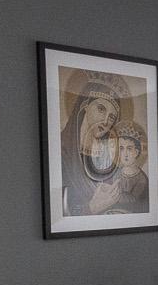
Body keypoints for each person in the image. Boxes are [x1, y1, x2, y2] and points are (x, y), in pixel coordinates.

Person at [60, 74, 129, 215]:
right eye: (101, 109)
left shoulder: (107, 156)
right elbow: (59, 212)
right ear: (85, 105)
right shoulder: (60, 151)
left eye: (112, 117)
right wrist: (92, 207)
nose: (105, 121)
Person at [86, 119, 150, 215]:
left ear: (136, 152)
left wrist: (114, 194)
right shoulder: (117, 172)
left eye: (129, 149)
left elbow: (134, 200)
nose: (125, 154)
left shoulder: (141, 179)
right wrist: (105, 188)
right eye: (121, 148)